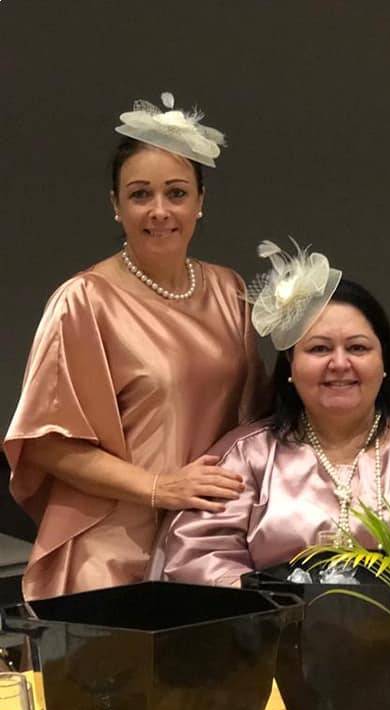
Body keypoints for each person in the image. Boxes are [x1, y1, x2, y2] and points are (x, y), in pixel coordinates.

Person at [3, 92, 267, 600]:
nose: (159, 211)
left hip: (207, 543)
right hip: (111, 549)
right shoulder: (83, 301)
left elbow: (252, 420)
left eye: (176, 193)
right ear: (116, 206)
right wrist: (159, 487)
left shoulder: (229, 290)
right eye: (141, 194)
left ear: (200, 202)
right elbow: (45, 442)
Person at [155, 243, 390, 585]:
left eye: (357, 348)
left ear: (384, 361)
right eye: (319, 349)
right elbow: (198, 556)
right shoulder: (247, 456)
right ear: (291, 365)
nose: (339, 363)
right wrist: (272, 601)